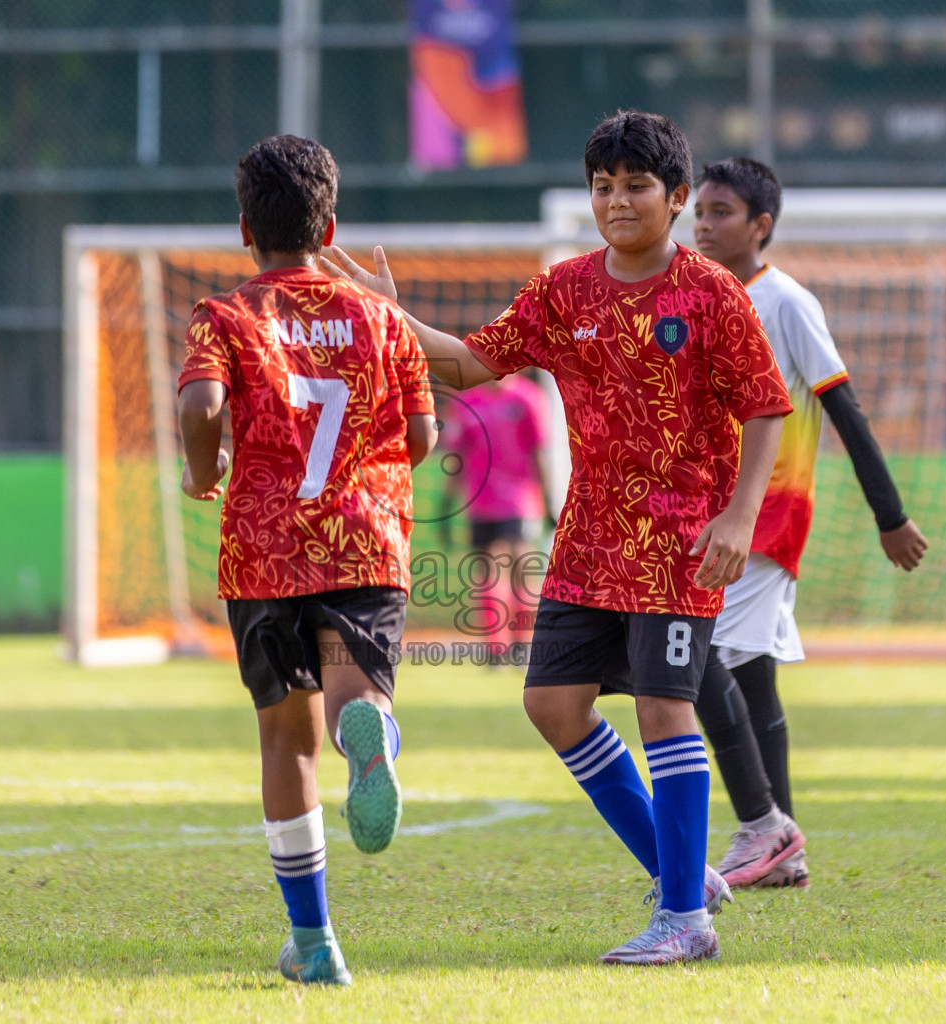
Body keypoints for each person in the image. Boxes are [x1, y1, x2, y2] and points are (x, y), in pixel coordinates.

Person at [325, 111, 792, 966]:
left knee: (663, 707)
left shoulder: (710, 293)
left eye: (637, 186)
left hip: (679, 543)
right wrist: (392, 319)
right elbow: (470, 362)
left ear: (677, 198)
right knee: (552, 706)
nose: (617, 201)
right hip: (587, 542)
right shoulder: (565, 288)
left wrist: (738, 518)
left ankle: (683, 918)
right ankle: (682, 874)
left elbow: (765, 403)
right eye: (604, 186)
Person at [177, 135, 438, 987]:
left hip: (264, 550)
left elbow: (203, 402)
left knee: (285, 739)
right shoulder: (382, 318)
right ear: (332, 224)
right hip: (365, 539)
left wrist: (203, 465)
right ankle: (375, 741)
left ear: (244, 225)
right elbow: (425, 437)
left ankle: (317, 942)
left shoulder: (226, 315)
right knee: (353, 697)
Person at [691, 157, 929, 890]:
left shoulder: (786, 302)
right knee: (750, 678)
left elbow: (844, 409)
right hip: (715, 518)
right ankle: (779, 845)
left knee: (697, 661)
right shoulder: (701, 297)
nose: (703, 223)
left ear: (761, 226)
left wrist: (890, 516)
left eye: (721, 212)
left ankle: (762, 826)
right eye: (699, 210)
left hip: (766, 518)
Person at [439, 371, 553, 663]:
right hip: (482, 502)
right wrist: (446, 504)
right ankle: (504, 648)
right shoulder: (469, 401)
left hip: (519, 501)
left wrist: (549, 499)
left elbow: (539, 451)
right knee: (496, 573)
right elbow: (457, 457)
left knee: (510, 572)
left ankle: (512, 646)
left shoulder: (527, 398)